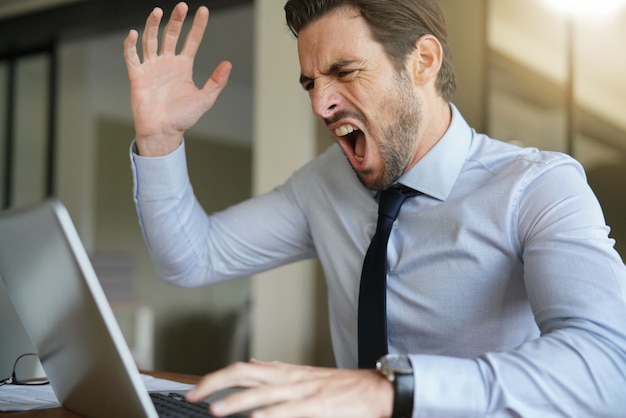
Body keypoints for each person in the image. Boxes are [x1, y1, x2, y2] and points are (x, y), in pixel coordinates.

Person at [123, 1, 626, 417]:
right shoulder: (324, 184)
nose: (321, 105)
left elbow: (609, 370)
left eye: (344, 72)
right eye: (310, 83)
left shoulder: (537, 186)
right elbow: (192, 259)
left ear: (423, 62)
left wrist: (392, 390)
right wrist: (160, 139)